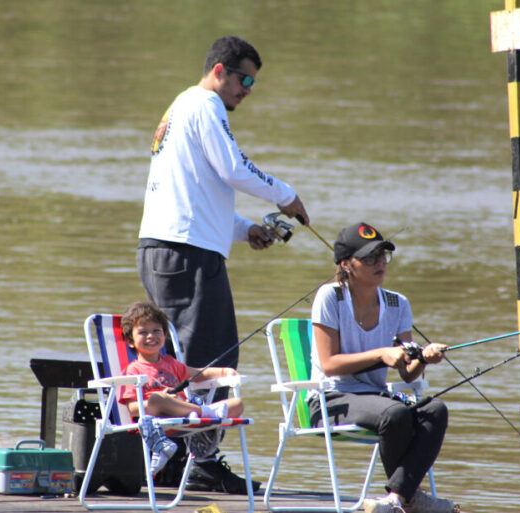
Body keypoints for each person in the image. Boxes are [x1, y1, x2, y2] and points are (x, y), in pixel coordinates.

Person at [136, 35, 310, 493]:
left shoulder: (182, 107)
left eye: (253, 82)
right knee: (215, 359)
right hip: (186, 254)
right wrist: (285, 194)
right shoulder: (205, 105)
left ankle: (172, 456)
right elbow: (234, 167)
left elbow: (201, 187)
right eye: (244, 78)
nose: (248, 89)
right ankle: (202, 461)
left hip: (168, 248)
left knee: (177, 362)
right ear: (219, 70)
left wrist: (244, 228)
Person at [309, 222, 460, 513]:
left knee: (435, 410)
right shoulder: (330, 296)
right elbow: (329, 365)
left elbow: (407, 371)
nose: (379, 263)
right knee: (397, 412)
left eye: (383, 255)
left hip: (375, 398)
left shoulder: (397, 303)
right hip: (329, 398)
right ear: (346, 264)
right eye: (369, 258)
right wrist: (381, 354)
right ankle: (410, 498)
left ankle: (398, 499)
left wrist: (423, 358)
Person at [118, 302, 245, 476]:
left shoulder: (171, 363)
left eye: (156, 331)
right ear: (130, 341)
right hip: (155, 418)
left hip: (182, 416)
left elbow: (198, 374)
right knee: (157, 398)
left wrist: (223, 371)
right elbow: (133, 408)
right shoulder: (133, 370)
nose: (151, 336)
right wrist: (162, 399)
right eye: (143, 332)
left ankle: (200, 412)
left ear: (164, 334)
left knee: (238, 404)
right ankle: (204, 412)